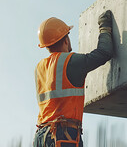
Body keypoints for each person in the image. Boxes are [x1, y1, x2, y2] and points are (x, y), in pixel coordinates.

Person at [33, 10, 113, 147]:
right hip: (62, 135)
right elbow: (104, 53)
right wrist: (104, 26)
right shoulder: (71, 61)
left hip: (41, 136)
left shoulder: (39, 68)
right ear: (65, 39)